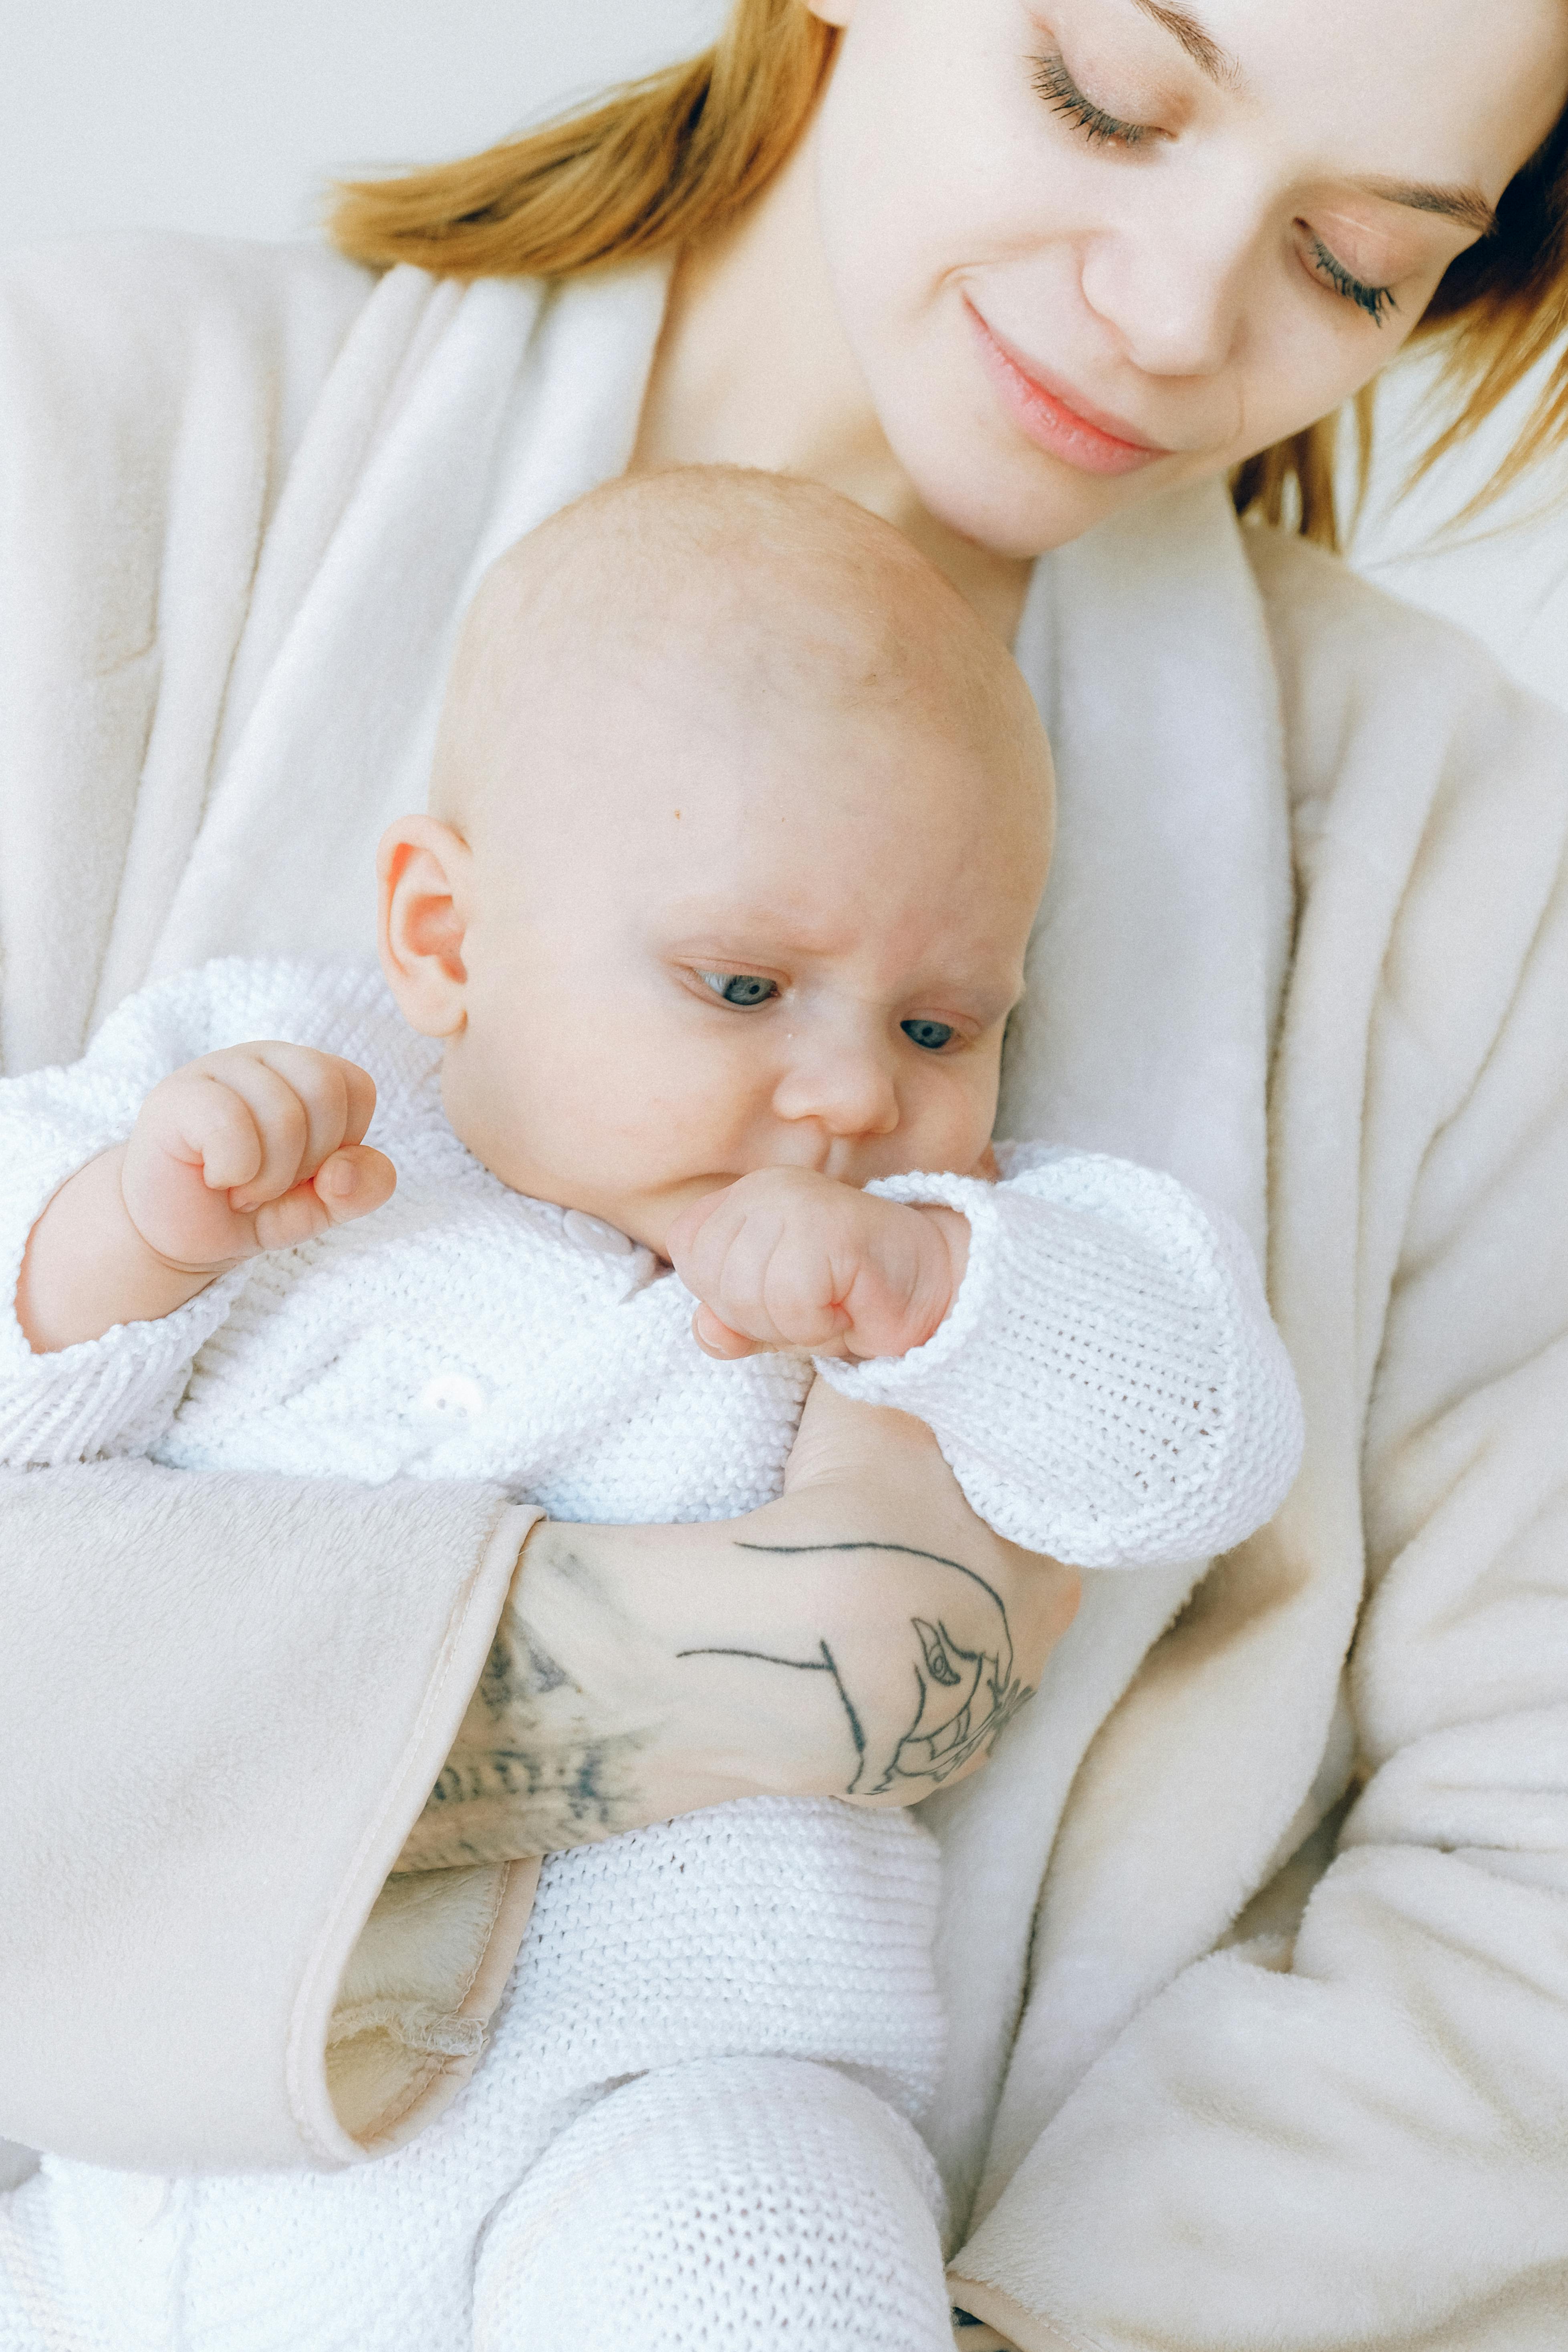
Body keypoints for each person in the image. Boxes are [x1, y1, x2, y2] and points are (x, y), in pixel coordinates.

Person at [1, 0, 1566, 2344]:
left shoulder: (1460, 858)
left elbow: (1524, 1864)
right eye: (1101, 98)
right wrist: (740, 1666)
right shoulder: (86, 444)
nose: (1164, 318)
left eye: (1351, 264)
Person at [0, 466, 1300, 2347]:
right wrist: (117, 1235)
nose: (851, 1089)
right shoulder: (277, 1093)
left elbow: (1204, 1438)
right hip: (164, 2133)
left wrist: (951, 1302)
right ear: (443, 936)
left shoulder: (946, 1246)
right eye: (747, 984)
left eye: (941, 1024)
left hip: (653, 2098)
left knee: (760, 2256)